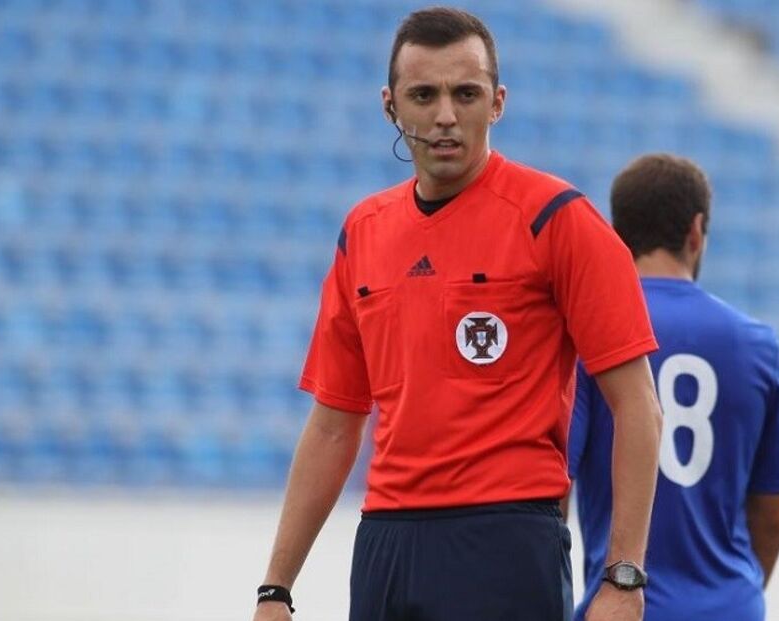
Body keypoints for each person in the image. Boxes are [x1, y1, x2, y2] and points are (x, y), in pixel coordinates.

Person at [254, 7, 663, 621]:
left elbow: (637, 406)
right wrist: (276, 589)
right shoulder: (363, 232)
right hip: (386, 540)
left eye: (464, 93)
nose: (445, 115)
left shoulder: (557, 219)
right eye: (424, 95)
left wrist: (624, 576)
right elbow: (334, 423)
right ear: (391, 106)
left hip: (506, 536)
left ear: (496, 103)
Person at [566, 154, 779, 620]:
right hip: (730, 606)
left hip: (621, 606)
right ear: (696, 230)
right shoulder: (758, 345)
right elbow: (771, 514)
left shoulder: (588, 338)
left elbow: (554, 486)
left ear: (617, 233)